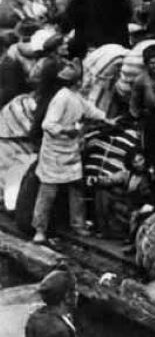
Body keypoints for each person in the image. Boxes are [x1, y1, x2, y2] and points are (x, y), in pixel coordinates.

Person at [33, 63, 115, 243]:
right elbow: (48, 124)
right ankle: (40, 229)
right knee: (48, 192)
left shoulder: (76, 96)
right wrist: (65, 130)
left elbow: (89, 109)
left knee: (76, 189)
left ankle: (78, 225)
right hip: (54, 151)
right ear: (77, 82)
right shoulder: (61, 98)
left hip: (71, 149)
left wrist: (106, 119)